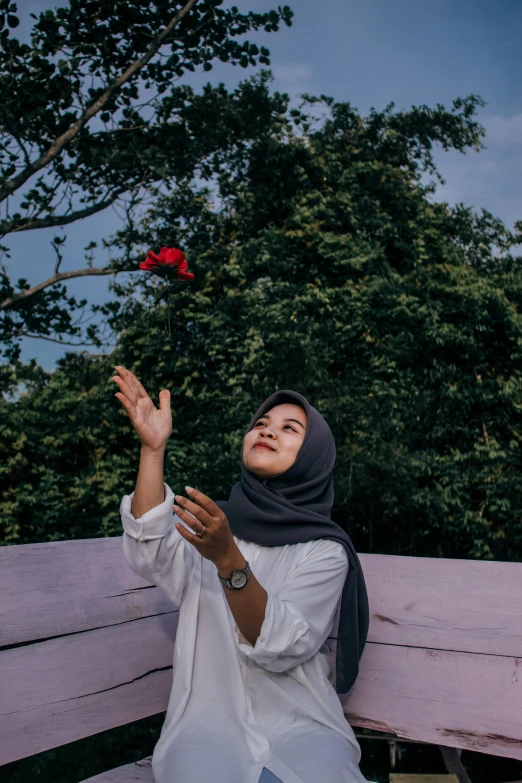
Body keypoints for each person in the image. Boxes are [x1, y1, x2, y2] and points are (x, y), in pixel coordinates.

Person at [114, 365, 375, 783]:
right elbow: (150, 549)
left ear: (313, 456)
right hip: (205, 727)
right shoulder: (214, 525)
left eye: (289, 428)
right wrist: (153, 451)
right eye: (261, 423)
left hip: (302, 725)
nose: (268, 431)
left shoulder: (325, 550)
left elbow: (281, 646)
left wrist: (227, 560)